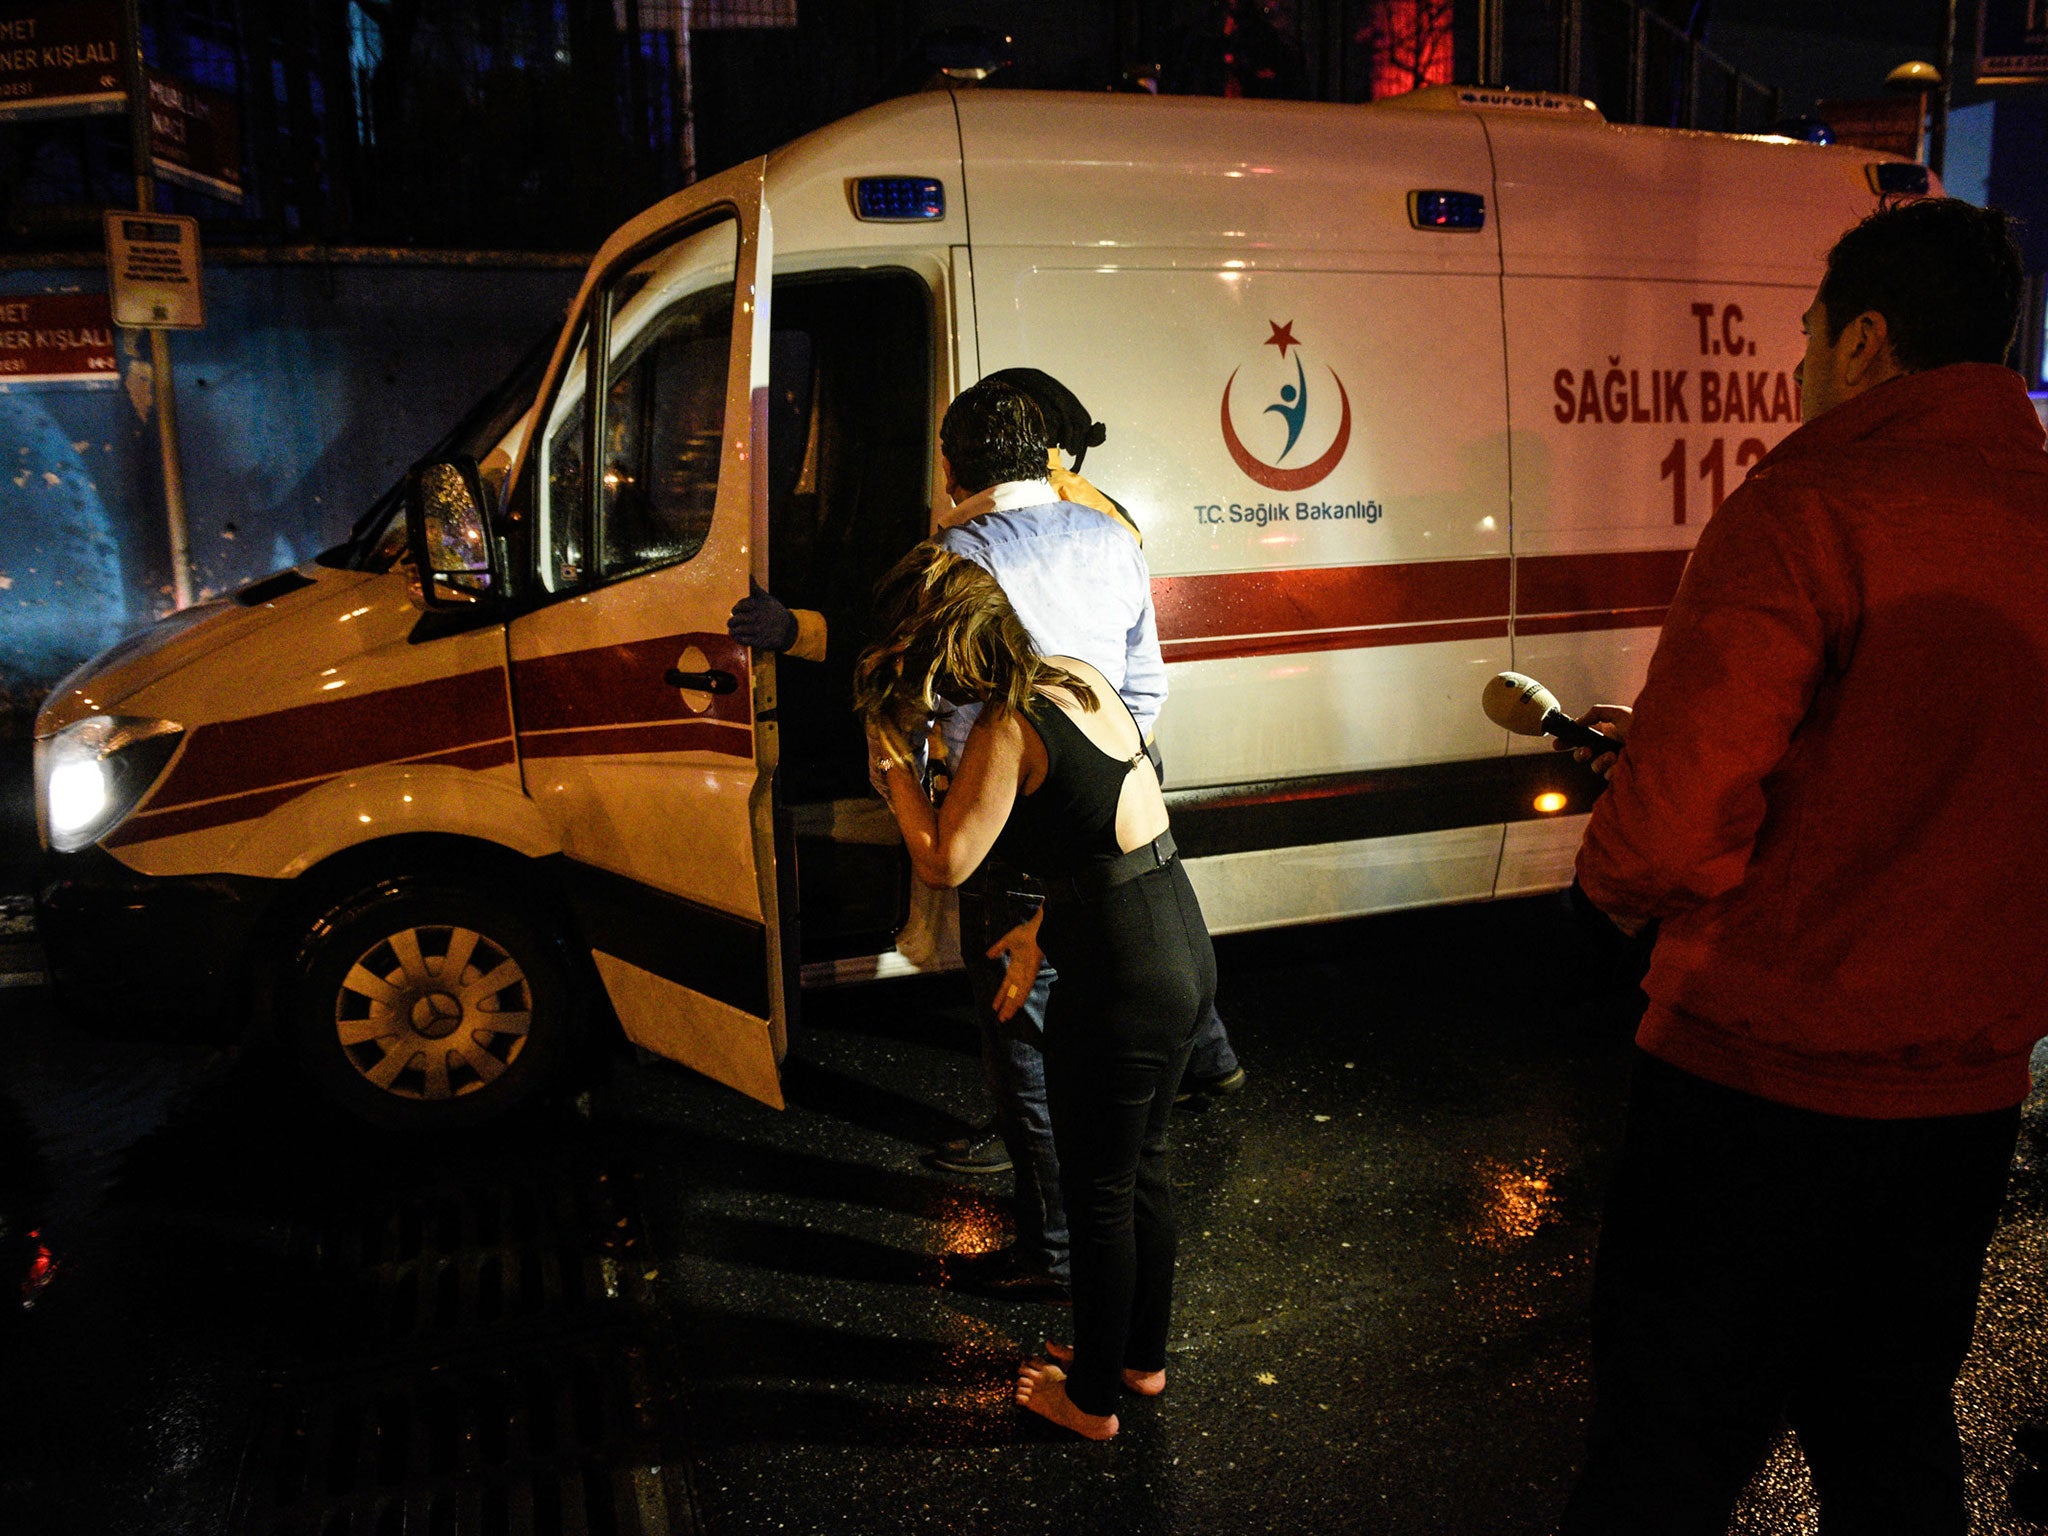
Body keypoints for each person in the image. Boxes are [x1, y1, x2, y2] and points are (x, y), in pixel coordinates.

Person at [1554, 198, 2048, 1534]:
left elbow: (1668, 828)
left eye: (1811, 336)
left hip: (1756, 1082)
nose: (1803, 366)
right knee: (1888, 1431)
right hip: (1962, 1096)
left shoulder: (1811, 504)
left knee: (1662, 1454)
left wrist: (1608, 894)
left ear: (1868, 341)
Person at [854, 544, 1217, 1440]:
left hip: (1124, 977)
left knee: (1098, 1192)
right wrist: (1045, 925)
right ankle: (1135, 1360)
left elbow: (945, 861)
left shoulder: (1005, 730)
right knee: (1142, 1173)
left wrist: (893, 768)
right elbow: (1109, 825)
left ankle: (1090, 1402)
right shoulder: (1076, 677)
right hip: (1174, 935)